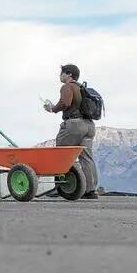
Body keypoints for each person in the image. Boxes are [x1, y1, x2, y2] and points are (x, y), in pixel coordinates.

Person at [43, 63, 98, 199]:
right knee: (86, 157)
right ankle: (90, 190)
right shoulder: (82, 88)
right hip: (89, 125)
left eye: (62, 73)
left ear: (69, 74)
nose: (60, 76)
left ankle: (61, 187)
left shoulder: (67, 86)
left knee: (61, 153)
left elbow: (65, 103)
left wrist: (52, 109)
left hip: (74, 124)